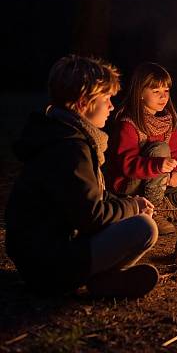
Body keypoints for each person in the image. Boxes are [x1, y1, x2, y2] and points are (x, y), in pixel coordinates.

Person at [5, 55, 159, 299]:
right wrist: (132, 206)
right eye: (106, 99)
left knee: (134, 219)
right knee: (144, 227)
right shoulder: (69, 148)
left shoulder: (64, 136)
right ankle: (92, 280)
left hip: (44, 255)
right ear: (83, 102)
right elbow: (92, 216)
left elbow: (89, 197)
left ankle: (104, 280)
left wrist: (130, 205)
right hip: (48, 263)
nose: (111, 106)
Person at [109, 62, 177, 235]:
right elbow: (126, 165)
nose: (163, 97)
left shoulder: (167, 123)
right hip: (131, 184)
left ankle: (163, 205)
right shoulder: (129, 124)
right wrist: (157, 165)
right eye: (156, 92)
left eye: (166, 91)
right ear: (140, 93)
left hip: (158, 182)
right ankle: (154, 212)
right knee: (160, 148)